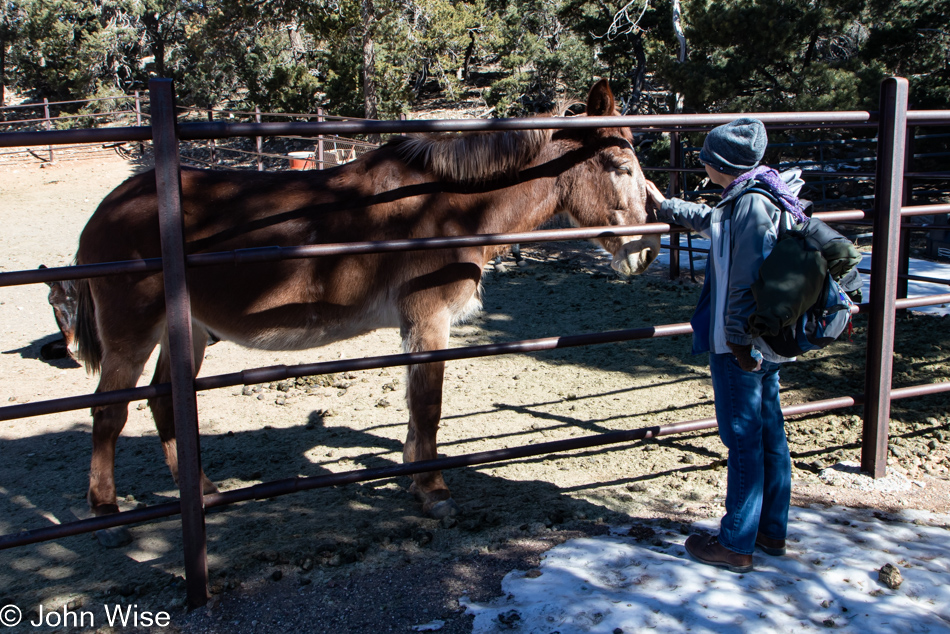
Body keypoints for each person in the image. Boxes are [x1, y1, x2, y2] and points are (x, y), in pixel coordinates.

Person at [640, 118, 810, 573]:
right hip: (766, 340)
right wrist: (667, 205)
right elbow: (716, 222)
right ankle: (770, 531)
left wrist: (736, 339)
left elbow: (745, 277)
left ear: (721, 164)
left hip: (742, 344)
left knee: (744, 439)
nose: (702, 162)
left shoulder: (751, 204)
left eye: (707, 158)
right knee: (769, 431)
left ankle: (736, 544)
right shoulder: (758, 192)